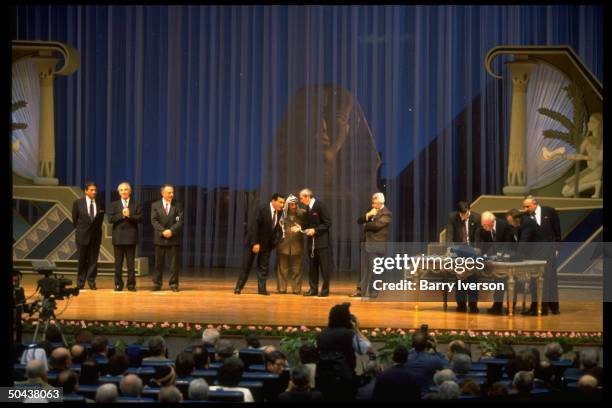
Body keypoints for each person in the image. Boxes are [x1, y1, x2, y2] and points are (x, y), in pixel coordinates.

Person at [315, 303, 370, 401]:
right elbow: (365, 348)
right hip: (345, 380)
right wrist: (356, 330)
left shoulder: (322, 335)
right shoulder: (349, 334)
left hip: (323, 380)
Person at [235, 193, 285, 295]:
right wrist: (255, 243)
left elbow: (278, 229)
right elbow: (254, 226)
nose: (282, 205)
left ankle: (262, 290)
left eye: (283, 203)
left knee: (263, 267)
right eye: (280, 202)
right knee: (246, 266)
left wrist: (274, 243)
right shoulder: (262, 209)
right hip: (253, 242)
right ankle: (238, 288)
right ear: (273, 201)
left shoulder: (280, 213)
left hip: (266, 245)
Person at [522, 196, 561, 315]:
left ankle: (552, 307)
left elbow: (557, 231)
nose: (525, 209)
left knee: (549, 279)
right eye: (524, 206)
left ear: (534, 204)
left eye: (527, 206)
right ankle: (536, 307)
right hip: (535, 253)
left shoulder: (549, 212)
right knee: (535, 281)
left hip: (549, 252)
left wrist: (557, 248)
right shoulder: (526, 217)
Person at [351, 192, 392, 298]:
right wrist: (368, 215)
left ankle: (374, 293)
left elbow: (377, 226)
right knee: (363, 269)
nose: (373, 205)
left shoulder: (386, 213)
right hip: (366, 244)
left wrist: (366, 224)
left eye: (375, 203)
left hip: (376, 246)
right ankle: (361, 291)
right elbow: (359, 220)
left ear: (381, 202)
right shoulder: (371, 210)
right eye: (372, 203)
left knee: (375, 270)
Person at [474, 211, 516, 315]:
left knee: (511, 283)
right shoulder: (484, 227)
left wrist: (499, 255)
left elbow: (508, 244)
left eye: (485, 225)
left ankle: (511, 307)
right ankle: (497, 306)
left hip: (509, 258)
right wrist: (479, 253)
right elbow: (483, 243)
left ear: (492, 222)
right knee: (498, 282)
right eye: (482, 224)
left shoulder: (504, 226)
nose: (483, 227)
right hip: (495, 259)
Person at [445, 201, 480, 312]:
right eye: (461, 214)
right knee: (460, 278)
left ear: (469, 210)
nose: (463, 216)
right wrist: (450, 249)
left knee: (473, 279)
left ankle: (473, 305)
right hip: (459, 252)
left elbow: (479, 236)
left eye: (465, 213)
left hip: (473, 252)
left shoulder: (476, 218)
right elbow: (449, 236)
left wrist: (477, 248)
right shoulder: (453, 217)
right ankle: (461, 305)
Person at [108, 182, 142, 291]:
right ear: (119, 192)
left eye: (126, 189)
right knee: (118, 264)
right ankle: (118, 284)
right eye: (121, 190)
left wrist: (129, 215)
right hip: (118, 237)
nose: (124, 192)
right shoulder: (114, 204)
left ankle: (131, 284)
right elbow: (110, 219)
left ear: (130, 191)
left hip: (131, 237)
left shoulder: (136, 204)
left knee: (131, 263)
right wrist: (122, 215)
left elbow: (140, 219)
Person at [299, 189, 333, 297]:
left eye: (301, 198)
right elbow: (306, 226)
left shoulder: (320, 205)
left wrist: (315, 230)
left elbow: (328, 223)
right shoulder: (307, 209)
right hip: (311, 244)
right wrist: (300, 228)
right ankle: (313, 289)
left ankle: (325, 290)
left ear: (308, 196)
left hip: (322, 243)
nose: (300, 200)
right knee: (312, 268)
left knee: (324, 268)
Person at [72, 181, 105, 290]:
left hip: (95, 237)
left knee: (93, 260)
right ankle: (80, 282)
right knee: (82, 260)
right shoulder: (78, 203)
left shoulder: (100, 203)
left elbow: (100, 220)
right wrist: (82, 230)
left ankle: (91, 281)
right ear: (86, 191)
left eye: (95, 190)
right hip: (82, 236)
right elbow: (74, 220)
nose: (94, 192)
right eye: (91, 190)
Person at [150, 184, 184, 292]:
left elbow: (180, 221)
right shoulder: (155, 205)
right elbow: (154, 220)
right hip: (160, 238)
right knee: (158, 264)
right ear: (162, 193)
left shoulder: (178, 205)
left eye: (173, 192)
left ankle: (173, 284)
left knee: (174, 265)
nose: (172, 194)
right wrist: (163, 231)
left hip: (173, 238)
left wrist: (171, 231)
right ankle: (157, 284)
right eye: (169, 192)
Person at [275, 194, 306, 294]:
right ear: (288, 205)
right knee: (282, 269)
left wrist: (302, 229)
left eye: (295, 204)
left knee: (297, 269)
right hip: (283, 245)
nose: (294, 206)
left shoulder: (303, 214)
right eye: (292, 204)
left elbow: (308, 226)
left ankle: (296, 290)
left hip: (297, 245)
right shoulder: (281, 214)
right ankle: (281, 289)